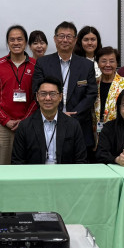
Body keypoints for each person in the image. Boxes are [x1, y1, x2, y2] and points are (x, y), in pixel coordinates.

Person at [33, 22, 97, 160]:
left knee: (79, 165)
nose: (65, 40)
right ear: (55, 39)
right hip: (49, 121)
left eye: (69, 36)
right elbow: (37, 91)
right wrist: (58, 114)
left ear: (75, 40)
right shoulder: (43, 63)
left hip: (79, 123)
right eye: (61, 36)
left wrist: (73, 115)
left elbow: (91, 94)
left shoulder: (87, 65)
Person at [0, 25, 37, 164]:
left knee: (27, 163)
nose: (16, 43)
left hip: (29, 124)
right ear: (7, 42)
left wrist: (25, 120)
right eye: (12, 39)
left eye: (19, 39)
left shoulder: (35, 65)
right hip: (3, 125)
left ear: (26, 42)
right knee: (3, 164)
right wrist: (5, 120)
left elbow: (37, 97)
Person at [11, 77, 87, 165]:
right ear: (37, 96)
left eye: (52, 94)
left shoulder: (73, 125)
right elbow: (17, 161)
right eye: (43, 94)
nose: (48, 98)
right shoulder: (25, 126)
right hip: (35, 173)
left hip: (65, 172)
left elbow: (81, 160)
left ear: (60, 97)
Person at [93, 47, 124, 140]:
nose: (108, 65)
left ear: (117, 63)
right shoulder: (93, 84)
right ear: (98, 63)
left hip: (120, 134)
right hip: (96, 135)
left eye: (112, 61)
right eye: (103, 61)